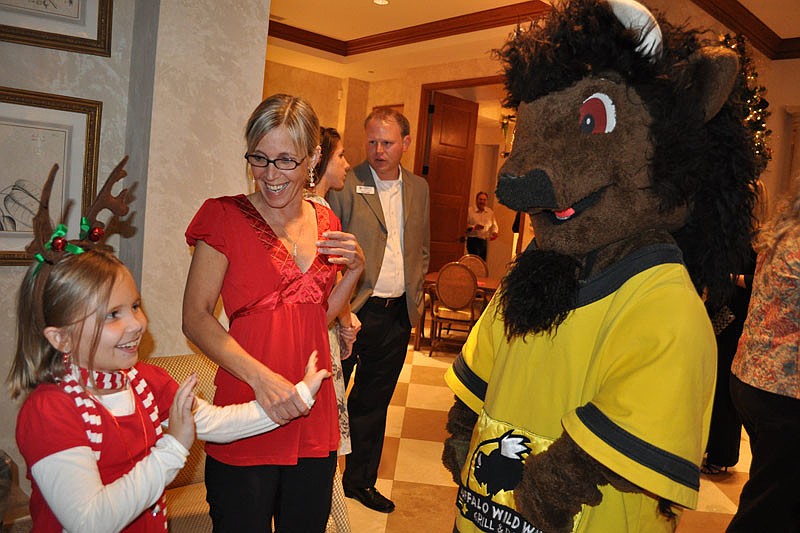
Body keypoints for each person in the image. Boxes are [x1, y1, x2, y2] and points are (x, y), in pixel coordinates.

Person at [9, 164, 330, 532]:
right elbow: (90, 521)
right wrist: (173, 448)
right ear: (60, 337)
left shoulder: (146, 381)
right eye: (112, 315)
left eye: (134, 306)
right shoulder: (50, 411)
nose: (136, 324)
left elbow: (216, 422)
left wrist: (297, 397)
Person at [182, 94, 364, 531]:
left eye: (286, 160)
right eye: (259, 159)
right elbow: (195, 316)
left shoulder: (326, 225)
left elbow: (315, 318)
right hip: (248, 408)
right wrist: (263, 381)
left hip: (311, 412)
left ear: (313, 158)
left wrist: (355, 271)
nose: (270, 175)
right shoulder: (224, 216)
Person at [327, 107, 430, 514]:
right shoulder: (346, 183)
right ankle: (316, 478)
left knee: (373, 400)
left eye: (387, 142)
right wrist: (339, 310)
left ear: (405, 143)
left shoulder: (419, 188)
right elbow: (330, 250)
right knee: (331, 396)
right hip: (352, 313)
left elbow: (421, 247)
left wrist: (416, 299)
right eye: (371, 141)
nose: (377, 150)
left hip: (396, 314)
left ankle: (359, 483)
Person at [727, 188, 800, 532]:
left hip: (751, 378)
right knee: (768, 506)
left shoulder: (786, 233)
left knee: (778, 495)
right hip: (782, 393)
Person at [306, 127, 360, 533]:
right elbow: (325, 291)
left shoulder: (315, 207)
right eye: (340, 156)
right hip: (315, 333)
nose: (345, 164)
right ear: (322, 160)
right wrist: (344, 320)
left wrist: (345, 318)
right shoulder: (319, 214)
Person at [702, 250, 755, 476]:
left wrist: (731, 278)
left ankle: (720, 455)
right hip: (723, 321)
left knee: (724, 392)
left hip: (733, 324)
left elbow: (754, 282)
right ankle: (713, 451)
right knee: (715, 388)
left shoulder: (753, 252)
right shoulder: (734, 246)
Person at [465, 191, 498, 261]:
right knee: (473, 262)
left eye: (484, 200)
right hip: (472, 240)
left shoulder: (490, 212)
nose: (482, 202)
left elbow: (494, 225)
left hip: (483, 241)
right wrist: (473, 227)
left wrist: (495, 232)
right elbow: (464, 224)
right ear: (476, 200)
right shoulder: (470, 211)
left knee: (482, 263)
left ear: (486, 201)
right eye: (480, 199)